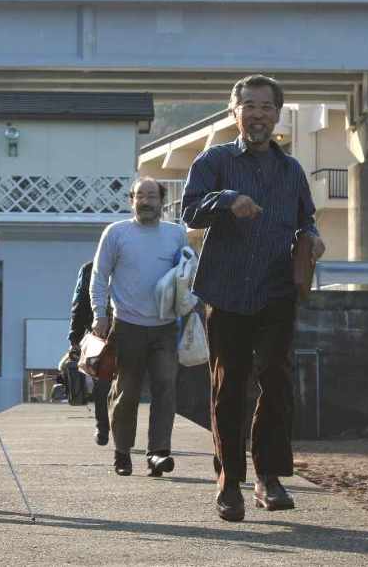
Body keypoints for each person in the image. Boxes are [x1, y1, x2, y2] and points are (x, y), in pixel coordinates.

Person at [182, 74, 325, 522]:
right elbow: (188, 209)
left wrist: (313, 239)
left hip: (277, 289)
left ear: (277, 114)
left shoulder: (292, 171)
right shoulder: (214, 161)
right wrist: (227, 201)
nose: (257, 114)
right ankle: (229, 483)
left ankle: (269, 476)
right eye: (248, 105)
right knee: (229, 388)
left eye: (265, 106)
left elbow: (307, 220)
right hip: (225, 292)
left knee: (277, 381)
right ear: (234, 112)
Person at [90, 177, 186, 477]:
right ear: (131, 200)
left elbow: (186, 275)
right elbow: (99, 275)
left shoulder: (176, 234)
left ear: (162, 201)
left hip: (166, 326)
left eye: (152, 196)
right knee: (126, 392)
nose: (146, 202)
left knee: (165, 390)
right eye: (140, 196)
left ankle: (158, 453)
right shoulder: (116, 233)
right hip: (127, 324)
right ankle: (122, 452)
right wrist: (99, 315)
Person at [66, 260, 112, 444]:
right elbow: (79, 304)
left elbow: (78, 304)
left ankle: (104, 428)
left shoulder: (89, 268)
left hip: (109, 332)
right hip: (111, 332)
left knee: (105, 382)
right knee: (109, 383)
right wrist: (75, 338)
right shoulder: (89, 269)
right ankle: (106, 428)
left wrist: (74, 339)